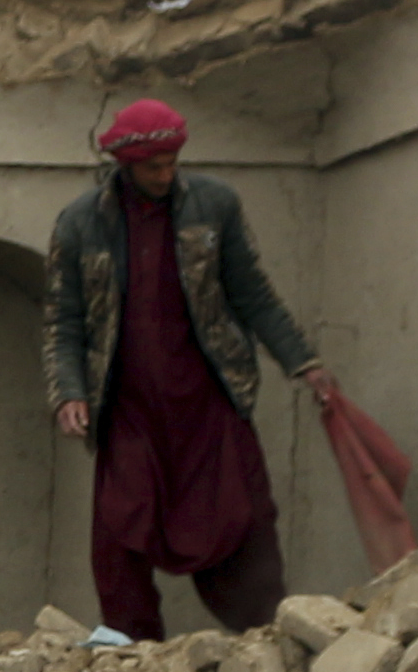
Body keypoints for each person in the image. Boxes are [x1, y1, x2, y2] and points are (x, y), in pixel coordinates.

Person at [43, 98, 329, 639]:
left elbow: (254, 296)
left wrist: (302, 362)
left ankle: (266, 638)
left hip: (207, 403)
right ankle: (131, 650)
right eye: (155, 166)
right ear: (127, 165)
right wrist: (69, 392)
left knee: (242, 518)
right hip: (128, 409)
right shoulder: (82, 223)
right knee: (120, 529)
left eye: (173, 162)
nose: (166, 174)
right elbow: (64, 321)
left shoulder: (214, 205)